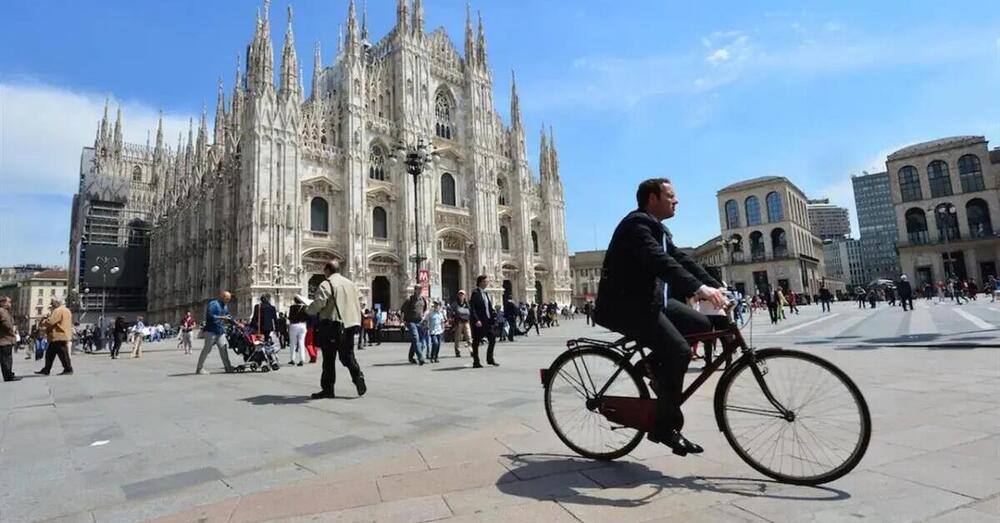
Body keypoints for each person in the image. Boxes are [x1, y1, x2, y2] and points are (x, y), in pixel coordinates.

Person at [593, 178, 727, 456]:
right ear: (652, 199)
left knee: (701, 324)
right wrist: (698, 289)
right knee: (678, 351)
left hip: (648, 302)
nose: (676, 200)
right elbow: (660, 262)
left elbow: (682, 260)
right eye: (670, 195)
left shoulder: (657, 228)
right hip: (623, 306)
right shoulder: (637, 226)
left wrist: (714, 286)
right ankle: (664, 427)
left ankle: (648, 367)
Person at [306, 260, 366, 399]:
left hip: (333, 325)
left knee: (329, 358)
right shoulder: (351, 284)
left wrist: (308, 310)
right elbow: (362, 301)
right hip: (350, 325)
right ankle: (358, 377)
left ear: (327, 271)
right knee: (348, 355)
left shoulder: (327, 284)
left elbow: (319, 303)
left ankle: (328, 389)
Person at [195, 291, 236, 374]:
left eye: (229, 299)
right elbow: (210, 316)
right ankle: (199, 368)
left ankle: (227, 367)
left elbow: (228, 317)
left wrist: (237, 323)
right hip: (211, 331)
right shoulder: (213, 304)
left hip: (220, 331)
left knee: (223, 348)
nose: (228, 301)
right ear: (222, 297)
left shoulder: (225, 306)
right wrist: (222, 317)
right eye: (227, 299)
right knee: (207, 349)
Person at [36, 298, 74, 376]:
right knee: (50, 353)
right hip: (63, 334)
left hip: (58, 335)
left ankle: (68, 369)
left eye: (52, 304)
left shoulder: (58, 311)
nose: (51, 306)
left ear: (57, 303)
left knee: (63, 354)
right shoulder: (67, 310)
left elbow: (51, 322)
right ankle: (46, 369)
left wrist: (44, 320)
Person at [470, 275, 499, 368]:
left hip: (487, 321)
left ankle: (490, 359)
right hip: (479, 322)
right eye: (486, 281)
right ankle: (476, 361)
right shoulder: (475, 293)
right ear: (481, 282)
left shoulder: (486, 294)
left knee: (492, 339)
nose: (487, 283)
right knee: (476, 342)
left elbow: (488, 307)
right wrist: (476, 320)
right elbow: (473, 308)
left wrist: (493, 314)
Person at [401, 286, 429, 365]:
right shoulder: (409, 300)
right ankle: (420, 357)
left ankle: (410, 357)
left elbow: (424, 310)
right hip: (410, 322)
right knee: (415, 338)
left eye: (421, 289)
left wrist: (424, 319)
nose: (419, 291)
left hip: (419, 322)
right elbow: (403, 311)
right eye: (418, 289)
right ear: (415, 290)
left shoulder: (423, 300)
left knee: (416, 340)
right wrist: (402, 322)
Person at [1, 296, 21, 382]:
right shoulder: (2, 311)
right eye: (9, 302)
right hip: (5, 340)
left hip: (4, 339)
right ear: (3, 303)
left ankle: (9, 375)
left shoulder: (4, 311)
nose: (10, 304)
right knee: (7, 359)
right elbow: (7, 324)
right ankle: (9, 376)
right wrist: (13, 328)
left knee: (5, 359)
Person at [287, 297, 309, 366]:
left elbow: (290, 317)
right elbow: (307, 317)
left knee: (293, 343)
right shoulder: (305, 307)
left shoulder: (292, 307)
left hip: (294, 325)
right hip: (302, 325)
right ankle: (302, 359)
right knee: (301, 343)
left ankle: (292, 359)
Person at [451, 290, 472, 357]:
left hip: (466, 322)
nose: (461, 296)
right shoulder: (455, 304)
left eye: (462, 295)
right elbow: (451, 312)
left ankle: (471, 350)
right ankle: (457, 350)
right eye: (460, 294)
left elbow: (470, 312)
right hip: (459, 322)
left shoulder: (467, 304)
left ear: (465, 296)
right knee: (458, 337)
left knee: (469, 336)